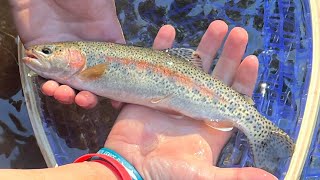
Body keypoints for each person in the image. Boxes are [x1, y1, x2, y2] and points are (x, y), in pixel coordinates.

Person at [2, 0, 277, 179]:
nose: (37, 53)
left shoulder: (86, 71)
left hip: (191, 89)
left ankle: (258, 130)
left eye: (48, 52)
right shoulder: (82, 70)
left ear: (76, 56)